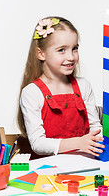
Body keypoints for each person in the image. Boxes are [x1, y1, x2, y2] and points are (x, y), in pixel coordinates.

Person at [17, 16, 104, 159]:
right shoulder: (32, 93)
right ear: (41, 53)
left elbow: (96, 129)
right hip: (47, 171)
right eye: (62, 50)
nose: (70, 56)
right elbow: (38, 144)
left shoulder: (83, 86)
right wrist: (78, 143)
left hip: (84, 166)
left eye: (74, 49)